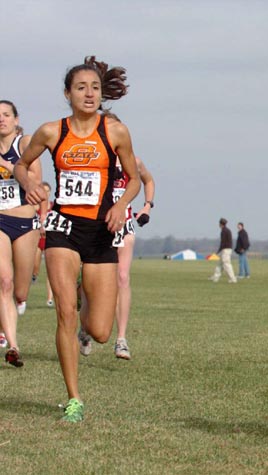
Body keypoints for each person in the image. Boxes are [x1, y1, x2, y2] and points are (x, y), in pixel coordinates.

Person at [14, 56, 141, 421]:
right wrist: (31, 184)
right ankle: (74, 398)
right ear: (67, 93)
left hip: (101, 232)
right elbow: (22, 165)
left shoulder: (115, 132)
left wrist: (121, 206)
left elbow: (133, 178)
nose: (89, 94)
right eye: (81, 87)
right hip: (63, 229)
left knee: (100, 331)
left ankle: (87, 304)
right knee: (65, 314)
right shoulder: (52, 131)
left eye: (95, 88)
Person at [101, 113, 155, 360]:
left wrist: (147, 206)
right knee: (93, 284)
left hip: (124, 225)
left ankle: (121, 339)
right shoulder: (95, 158)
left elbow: (148, 180)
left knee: (122, 277)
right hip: (97, 227)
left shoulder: (133, 160)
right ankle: (85, 327)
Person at [0, 99, 42, 367]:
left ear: (16, 119)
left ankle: (17, 304)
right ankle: (12, 344)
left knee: (21, 292)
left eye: (5, 114)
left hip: (25, 221)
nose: (1, 119)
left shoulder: (25, 144)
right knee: (4, 280)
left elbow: (35, 181)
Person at [210, 218, 237, 283]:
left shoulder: (223, 231)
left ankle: (233, 279)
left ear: (221, 224)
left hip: (225, 250)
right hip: (227, 249)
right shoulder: (228, 230)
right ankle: (215, 278)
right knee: (220, 264)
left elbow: (223, 242)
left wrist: (218, 251)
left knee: (227, 265)